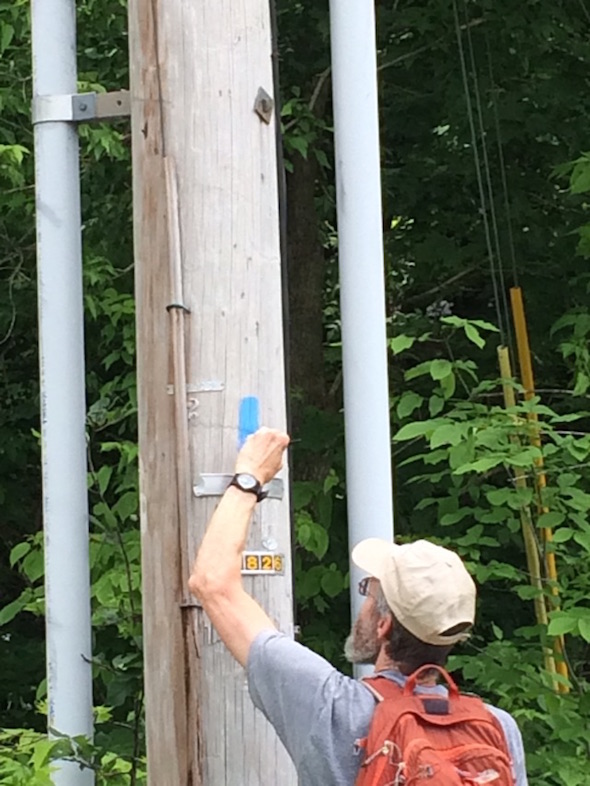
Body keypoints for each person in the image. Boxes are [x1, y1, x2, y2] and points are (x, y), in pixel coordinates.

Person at [188, 428, 528, 785]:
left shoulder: (335, 708)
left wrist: (249, 478)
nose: (363, 603)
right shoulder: (498, 728)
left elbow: (212, 582)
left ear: (384, 625)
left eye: (369, 591)